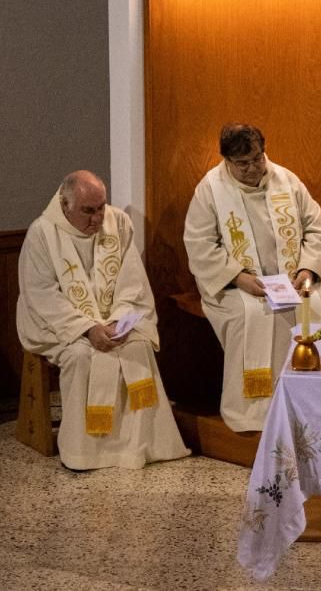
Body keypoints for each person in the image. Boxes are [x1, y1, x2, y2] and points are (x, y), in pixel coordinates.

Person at [16, 171, 190, 470]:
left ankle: (139, 446)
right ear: (65, 204)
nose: (98, 218)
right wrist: (87, 328)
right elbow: (41, 293)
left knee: (137, 347)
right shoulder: (42, 233)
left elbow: (131, 280)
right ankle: (85, 452)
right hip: (56, 325)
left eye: (101, 207)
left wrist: (120, 319)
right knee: (83, 355)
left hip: (111, 318)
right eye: (88, 211)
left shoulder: (118, 221)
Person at [184, 124, 321, 432]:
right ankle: (255, 415)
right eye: (243, 164)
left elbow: (317, 230)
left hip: (291, 280)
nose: (253, 168)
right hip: (239, 286)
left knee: (313, 307)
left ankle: (315, 405)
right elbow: (200, 245)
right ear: (227, 160)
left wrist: (307, 269)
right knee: (252, 315)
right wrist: (238, 278)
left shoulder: (287, 180)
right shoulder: (210, 189)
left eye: (257, 158)